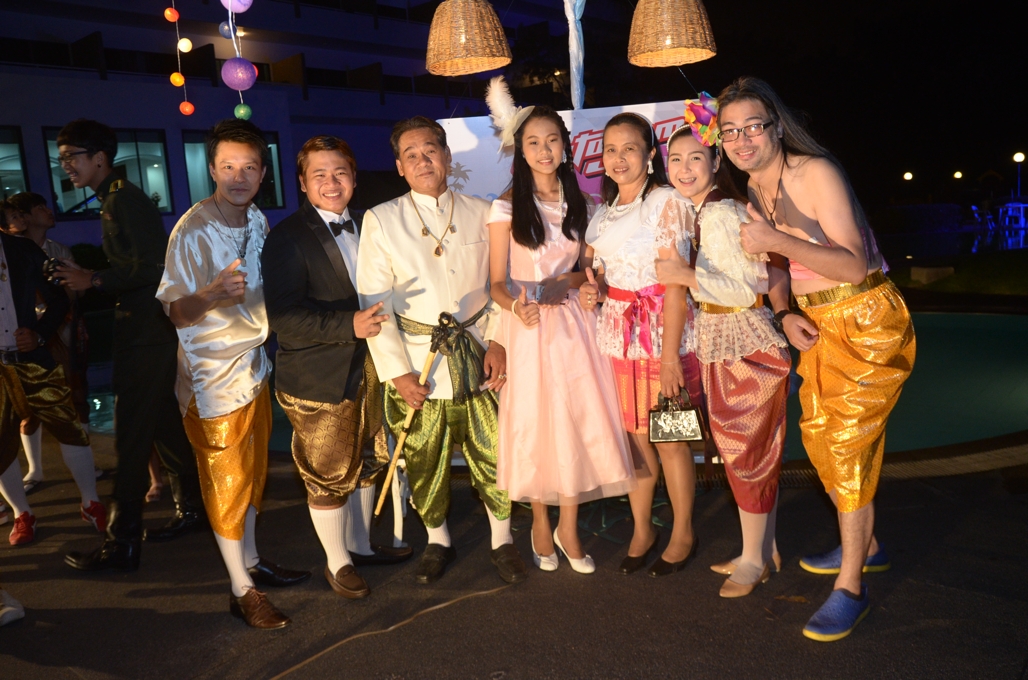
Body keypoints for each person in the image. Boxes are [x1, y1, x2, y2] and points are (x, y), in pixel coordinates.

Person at [717, 77, 916, 640]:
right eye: (730, 131)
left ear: (777, 126)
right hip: (816, 322)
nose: (742, 140)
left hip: (865, 317)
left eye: (753, 126)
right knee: (821, 437)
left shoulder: (815, 173)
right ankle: (866, 545)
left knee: (847, 444)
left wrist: (776, 242)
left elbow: (851, 264)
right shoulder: (755, 186)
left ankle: (851, 588)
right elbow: (778, 267)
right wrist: (783, 312)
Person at [357, 116, 528, 586]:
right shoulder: (381, 219)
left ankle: (502, 540)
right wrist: (397, 373)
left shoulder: (484, 211)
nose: (423, 161)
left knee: (493, 450)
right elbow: (374, 304)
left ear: (447, 156)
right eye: (411, 155)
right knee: (424, 457)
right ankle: (438, 541)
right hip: (418, 364)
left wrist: (499, 341)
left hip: (478, 354)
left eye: (430, 150)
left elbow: (504, 283)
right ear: (399, 166)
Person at [157, 119, 310, 629]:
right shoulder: (192, 230)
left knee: (252, 476)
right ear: (212, 170)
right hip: (211, 377)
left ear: (263, 173)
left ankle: (252, 561)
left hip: (254, 364)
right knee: (226, 482)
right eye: (228, 166)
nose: (238, 177)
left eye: (249, 167)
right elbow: (175, 313)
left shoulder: (258, 220)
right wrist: (210, 294)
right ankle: (241, 590)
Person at [484, 80, 634, 574]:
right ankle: (540, 523)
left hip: (575, 325)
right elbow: (496, 284)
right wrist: (517, 307)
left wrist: (568, 282)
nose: (544, 150)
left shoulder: (585, 203)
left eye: (552, 140)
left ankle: (569, 527)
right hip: (529, 328)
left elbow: (590, 271)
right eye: (533, 142)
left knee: (577, 421)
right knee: (536, 424)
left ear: (566, 146)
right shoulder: (505, 206)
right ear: (520, 149)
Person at [263, 135, 413, 600]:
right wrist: (349, 324)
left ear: (353, 178)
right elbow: (283, 318)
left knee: (367, 461)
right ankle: (338, 562)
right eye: (320, 175)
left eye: (340, 173)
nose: (331, 183)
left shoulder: (369, 224)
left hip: (371, 367)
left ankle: (361, 546)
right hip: (317, 377)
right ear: (302, 182)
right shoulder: (286, 237)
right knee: (327, 472)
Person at [653, 95, 791, 598]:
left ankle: (754, 559)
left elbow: (746, 287)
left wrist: (684, 275)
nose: (684, 168)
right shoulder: (702, 211)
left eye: (696, 158)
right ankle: (762, 549)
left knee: (745, 452)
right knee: (748, 451)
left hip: (745, 346)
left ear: (716, 161)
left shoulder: (720, 213)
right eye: (675, 159)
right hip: (727, 342)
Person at [55, 120, 204, 573]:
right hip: (145, 331)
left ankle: (121, 544)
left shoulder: (123, 199)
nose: (66, 166)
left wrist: (94, 279)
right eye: (62, 158)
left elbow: (154, 266)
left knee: (132, 437)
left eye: (72, 156)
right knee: (162, 425)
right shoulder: (114, 198)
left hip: (144, 334)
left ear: (99, 157)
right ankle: (193, 509)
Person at [581, 112, 700, 578]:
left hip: (662, 333)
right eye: (610, 150)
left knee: (671, 439)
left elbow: (675, 284)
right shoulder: (604, 212)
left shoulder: (667, 202)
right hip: (618, 335)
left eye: (629, 148)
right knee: (634, 437)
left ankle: (684, 531)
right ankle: (642, 529)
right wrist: (595, 290)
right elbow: (604, 275)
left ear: (650, 154)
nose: (619, 158)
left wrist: (670, 359)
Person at [0, 225, 101, 546]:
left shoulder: (21, 249)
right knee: (0, 444)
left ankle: (90, 502)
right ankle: (22, 513)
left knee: (68, 426)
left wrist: (40, 334)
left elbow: (58, 300)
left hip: (34, 358)